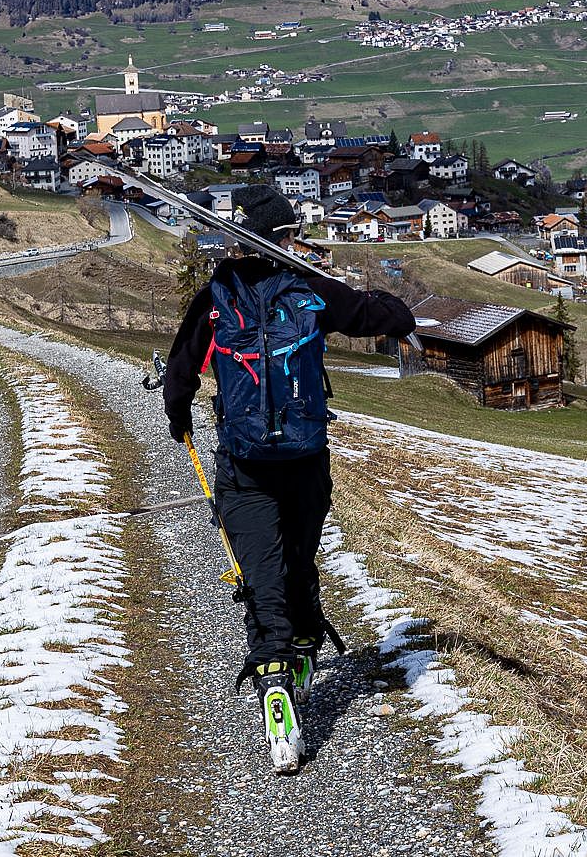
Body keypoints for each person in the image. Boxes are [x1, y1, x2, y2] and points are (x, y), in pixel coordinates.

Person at [161, 184, 414, 774]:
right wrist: (384, 308)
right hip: (304, 462)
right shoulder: (311, 291)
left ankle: (274, 681)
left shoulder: (217, 296)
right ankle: (301, 650)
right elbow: (381, 314)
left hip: (242, 464)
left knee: (261, 576)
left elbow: (180, 373)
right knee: (300, 562)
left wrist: (179, 419)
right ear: (285, 238)